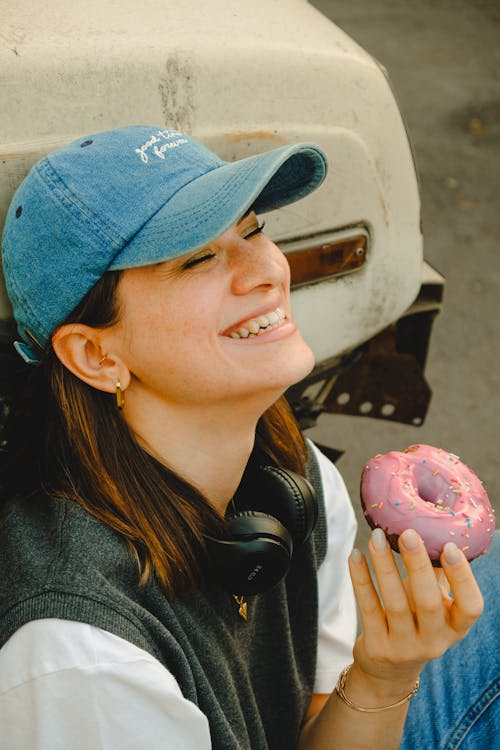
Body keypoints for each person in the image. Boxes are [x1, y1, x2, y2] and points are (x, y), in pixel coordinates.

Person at [0, 125, 497, 750]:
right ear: (98, 356)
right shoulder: (85, 660)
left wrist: (382, 674)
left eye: (253, 229)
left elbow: (320, 723)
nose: (264, 272)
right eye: (198, 257)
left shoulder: (291, 470)